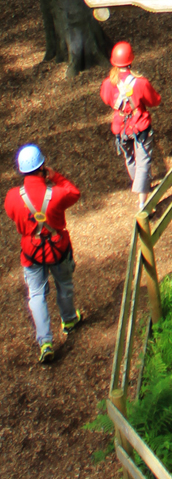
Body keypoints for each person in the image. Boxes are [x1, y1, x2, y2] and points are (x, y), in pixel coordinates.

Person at [5, 145, 82, 364]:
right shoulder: (56, 194)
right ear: (42, 167)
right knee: (64, 284)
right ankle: (69, 319)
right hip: (58, 249)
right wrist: (55, 176)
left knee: (36, 295)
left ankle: (45, 342)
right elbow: (74, 193)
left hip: (31, 252)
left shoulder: (12, 197)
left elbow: (12, 215)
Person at [99, 42, 161, 212]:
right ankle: (143, 203)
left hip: (120, 128)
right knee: (143, 160)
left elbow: (106, 99)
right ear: (130, 60)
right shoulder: (140, 83)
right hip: (139, 125)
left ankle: (141, 186)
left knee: (130, 159)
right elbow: (154, 100)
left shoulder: (108, 84)